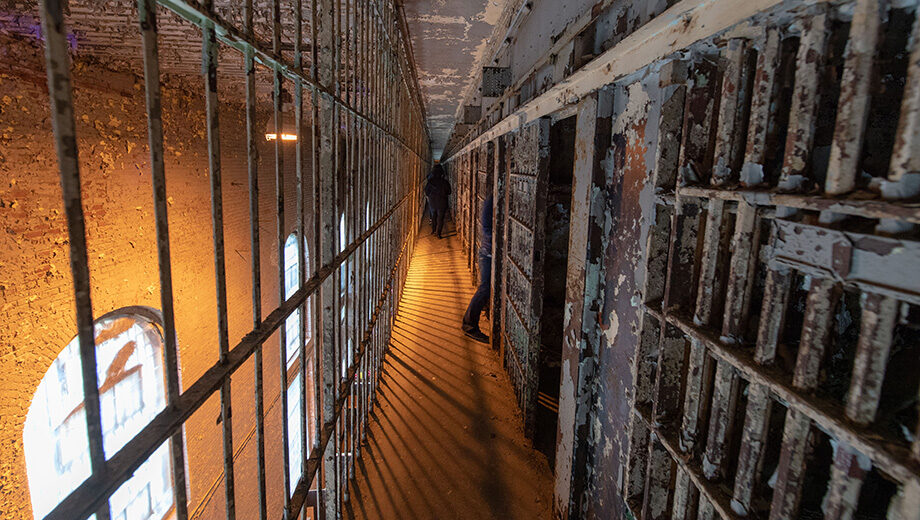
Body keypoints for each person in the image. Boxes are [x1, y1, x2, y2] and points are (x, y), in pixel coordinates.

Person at [462, 194, 493, 343]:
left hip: (491, 252)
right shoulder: (492, 199)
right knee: (485, 288)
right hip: (488, 253)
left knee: (487, 288)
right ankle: (469, 325)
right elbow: (486, 226)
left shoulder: (494, 198)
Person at [424, 164, 451, 238]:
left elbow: (426, 191)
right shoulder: (445, 182)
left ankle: (433, 230)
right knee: (440, 218)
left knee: (434, 217)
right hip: (442, 202)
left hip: (433, 202)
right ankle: (438, 233)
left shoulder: (430, 182)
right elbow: (449, 192)